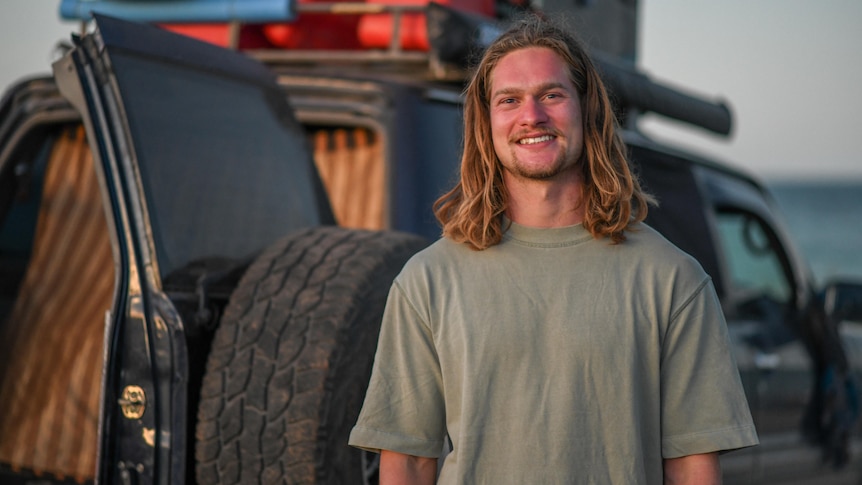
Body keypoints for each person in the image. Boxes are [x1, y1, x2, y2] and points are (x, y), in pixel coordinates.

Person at [349, 14, 758, 484]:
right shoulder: (427, 281)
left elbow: (693, 465)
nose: (532, 116)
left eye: (551, 95)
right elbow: (408, 460)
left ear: (587, 110)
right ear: (487, 123)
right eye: (509, 100)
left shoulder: (672, 279)